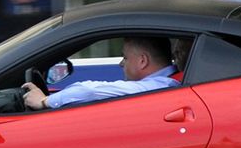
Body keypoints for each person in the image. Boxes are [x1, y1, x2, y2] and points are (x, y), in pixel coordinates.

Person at [21, 35, 179, 110]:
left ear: (142, 61)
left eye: (125, 57)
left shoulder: (159, 86)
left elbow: (90, 91)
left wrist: (44, 101)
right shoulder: (170, 81)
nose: (121, 63)